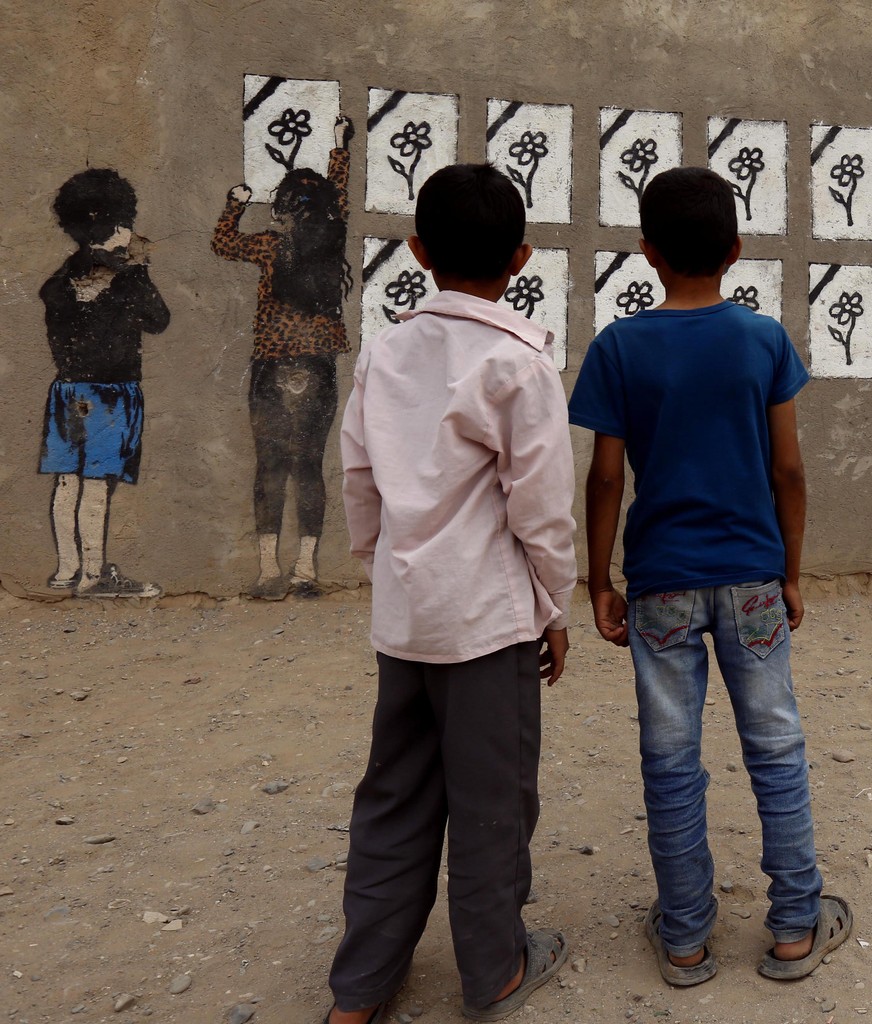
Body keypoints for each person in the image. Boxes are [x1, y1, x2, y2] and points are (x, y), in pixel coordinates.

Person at [569, 166, 851, 985]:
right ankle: (796, 924)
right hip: (754, 576)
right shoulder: (763, 341)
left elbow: (605, 479)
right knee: (774, 743)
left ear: (647, 253)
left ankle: (687, 936)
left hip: (660, 580)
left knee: (669, 754)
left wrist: (598, 582)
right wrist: (791, 572)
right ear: (736, 250)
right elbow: (788, 472)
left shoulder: (619, 347)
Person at [324, 163, 576, 1024]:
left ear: (418, 251)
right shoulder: (518, 364)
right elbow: (542, 511)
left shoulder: (386, 352)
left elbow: (359, 478)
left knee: (393, 795)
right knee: (491, 800)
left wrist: (385, 572)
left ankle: (359, 989)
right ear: (524, 256)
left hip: (406, 618)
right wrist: (554, 608)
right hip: (486, 623)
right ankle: (495, 967)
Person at [213, 114, 354, 600]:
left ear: (285, 208)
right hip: (318, 365)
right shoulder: (332, 240)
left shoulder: (272, 247)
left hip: (272, 364)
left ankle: (267, 571)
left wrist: (234, 204)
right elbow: (339, 194)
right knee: (310, 464)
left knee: (270, 463)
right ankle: (306, 570)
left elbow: (222, 244)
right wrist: (340, 146)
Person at [39, 168, 169, 598]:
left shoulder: (64, 277)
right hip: (111, 392)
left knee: (65, 480)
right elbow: (158, 320)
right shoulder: (125, 275)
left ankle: (65, 572)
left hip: (67, 391)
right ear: (116, 223)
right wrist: (136, 268)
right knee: (96, 482)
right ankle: (93, 576)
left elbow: (59, 315)